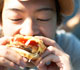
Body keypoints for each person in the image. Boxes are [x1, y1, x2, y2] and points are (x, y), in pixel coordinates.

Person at [0, 0, 80, 70]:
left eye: (43, 18)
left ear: (57, 22)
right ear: (1, 22)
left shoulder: (70, 48)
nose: (29, 32)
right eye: (15, 18)